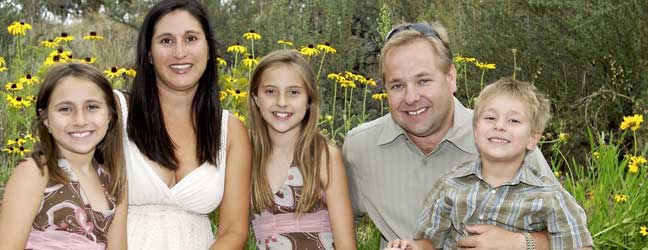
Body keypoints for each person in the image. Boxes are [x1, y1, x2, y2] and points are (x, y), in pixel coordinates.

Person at [343, 21, 559, 249]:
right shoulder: (360, 148)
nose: (411, 97)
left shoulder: (503, 139)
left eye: (423, 81)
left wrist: (520, 242)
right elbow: (326, 224)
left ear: (451, 78)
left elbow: (572, 236)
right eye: (397, 86)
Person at [386, 78, 594, 250]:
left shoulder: (549, 197)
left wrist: (525, 244)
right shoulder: (451, 185)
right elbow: (429, 242)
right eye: (490, 117)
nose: (500, 126)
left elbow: (580, 245)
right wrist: (411, 248)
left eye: (513, 121)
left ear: (533, 138)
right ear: (475, 130)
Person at [114, 0, 251, 249]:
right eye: (166, 40)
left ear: (209, 49)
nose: (179, 52)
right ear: (148, 54)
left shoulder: (230, 131)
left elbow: (234, 230)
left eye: (191, 38)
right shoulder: (116, 112)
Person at [0, 63, 127, 250]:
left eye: (92, 107)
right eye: (65, 109)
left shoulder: (113, 181)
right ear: (46, 119)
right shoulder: (36, 172)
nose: (80, 120)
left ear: (109, 115)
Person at [247, 50, 356, 249]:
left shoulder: (324, 156)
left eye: (294, 92)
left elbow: (346, 244)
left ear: (309, 100)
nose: (282, 102)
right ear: (255, 98)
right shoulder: (247, 157)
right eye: (270, 91)